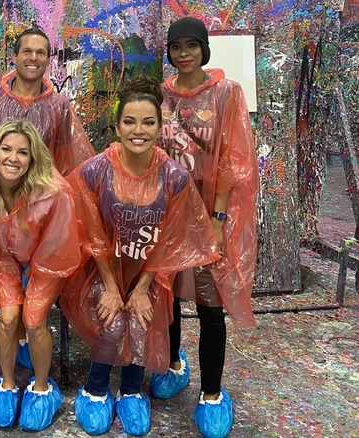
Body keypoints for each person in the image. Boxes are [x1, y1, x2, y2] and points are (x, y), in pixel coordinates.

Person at [61, 75, 220, 436]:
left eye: (148, 122)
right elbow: (91, 233)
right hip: (100, 271)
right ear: (117, 126)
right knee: (114, 320)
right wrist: (112, 286)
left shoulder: (174, 177)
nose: (138, 130)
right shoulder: (95, 169)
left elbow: (170, 242)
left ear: (160, 127)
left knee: (138, 319)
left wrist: (141, 287)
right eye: (129, 121)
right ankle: (96, 387)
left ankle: (132, 390)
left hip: (150, 273)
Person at [0, 26, 94, 380]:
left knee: (31, 286)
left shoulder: (58, 106)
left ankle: (25, 339)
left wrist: (58, 214)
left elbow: (67, 161)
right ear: (14, 55)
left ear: (48, 59)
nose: (33, 58)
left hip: (38, 213)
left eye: (41, 52)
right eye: (27, 51)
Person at [153, 17, 259, 438]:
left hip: (210, 213)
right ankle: (174, 364)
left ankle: (212, 393)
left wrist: (217, 219)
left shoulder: (226, 92)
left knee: (210, 304)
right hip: (168, 212)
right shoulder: (160, 93)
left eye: (191, 45)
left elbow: (234, 160)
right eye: (176, 46)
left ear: (203, 48)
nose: (183, 53)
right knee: (169, 295)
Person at [0, 119, 81, 431]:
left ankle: (42, 386)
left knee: (34, 318)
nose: (13, 158)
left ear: (33, 158)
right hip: (2, 258)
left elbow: (58, 246)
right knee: (8, 318)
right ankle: (8, 383)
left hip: (46, 260)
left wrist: (30, 277)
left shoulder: (53, 192)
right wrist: (12, 271)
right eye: (7, 149)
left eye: (22, 152)